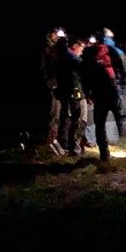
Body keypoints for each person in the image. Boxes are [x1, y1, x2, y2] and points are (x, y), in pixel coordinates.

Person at [81, 31, 125, 164]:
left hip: (103, 91)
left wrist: (87, 91)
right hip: (105, 91)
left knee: (106, 122)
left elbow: (85, 75)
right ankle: (108, 152)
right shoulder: (98, 52)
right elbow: (120, 69)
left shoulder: (96, 53)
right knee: (111, 120)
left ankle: (107, 152)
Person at [54, 35, 88, 157]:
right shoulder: (70, 57)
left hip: (72, 91)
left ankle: (70, 145)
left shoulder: (61, 57)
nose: (82, 51)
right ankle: (75, 148)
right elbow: (83, 67)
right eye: (82, 48)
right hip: (75, 91)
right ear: (74, 46)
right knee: (78, 118)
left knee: (71, 118)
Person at [40, 26, 65, 154]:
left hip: (60, 85)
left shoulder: (59, 49)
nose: (57, 36)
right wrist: (50, 83)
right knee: (53, 113)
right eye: (55, 34)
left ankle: (56, 139)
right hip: (52, 86)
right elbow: (45, 68)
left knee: (59, 113)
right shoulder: (46, 50)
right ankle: (51, 140)